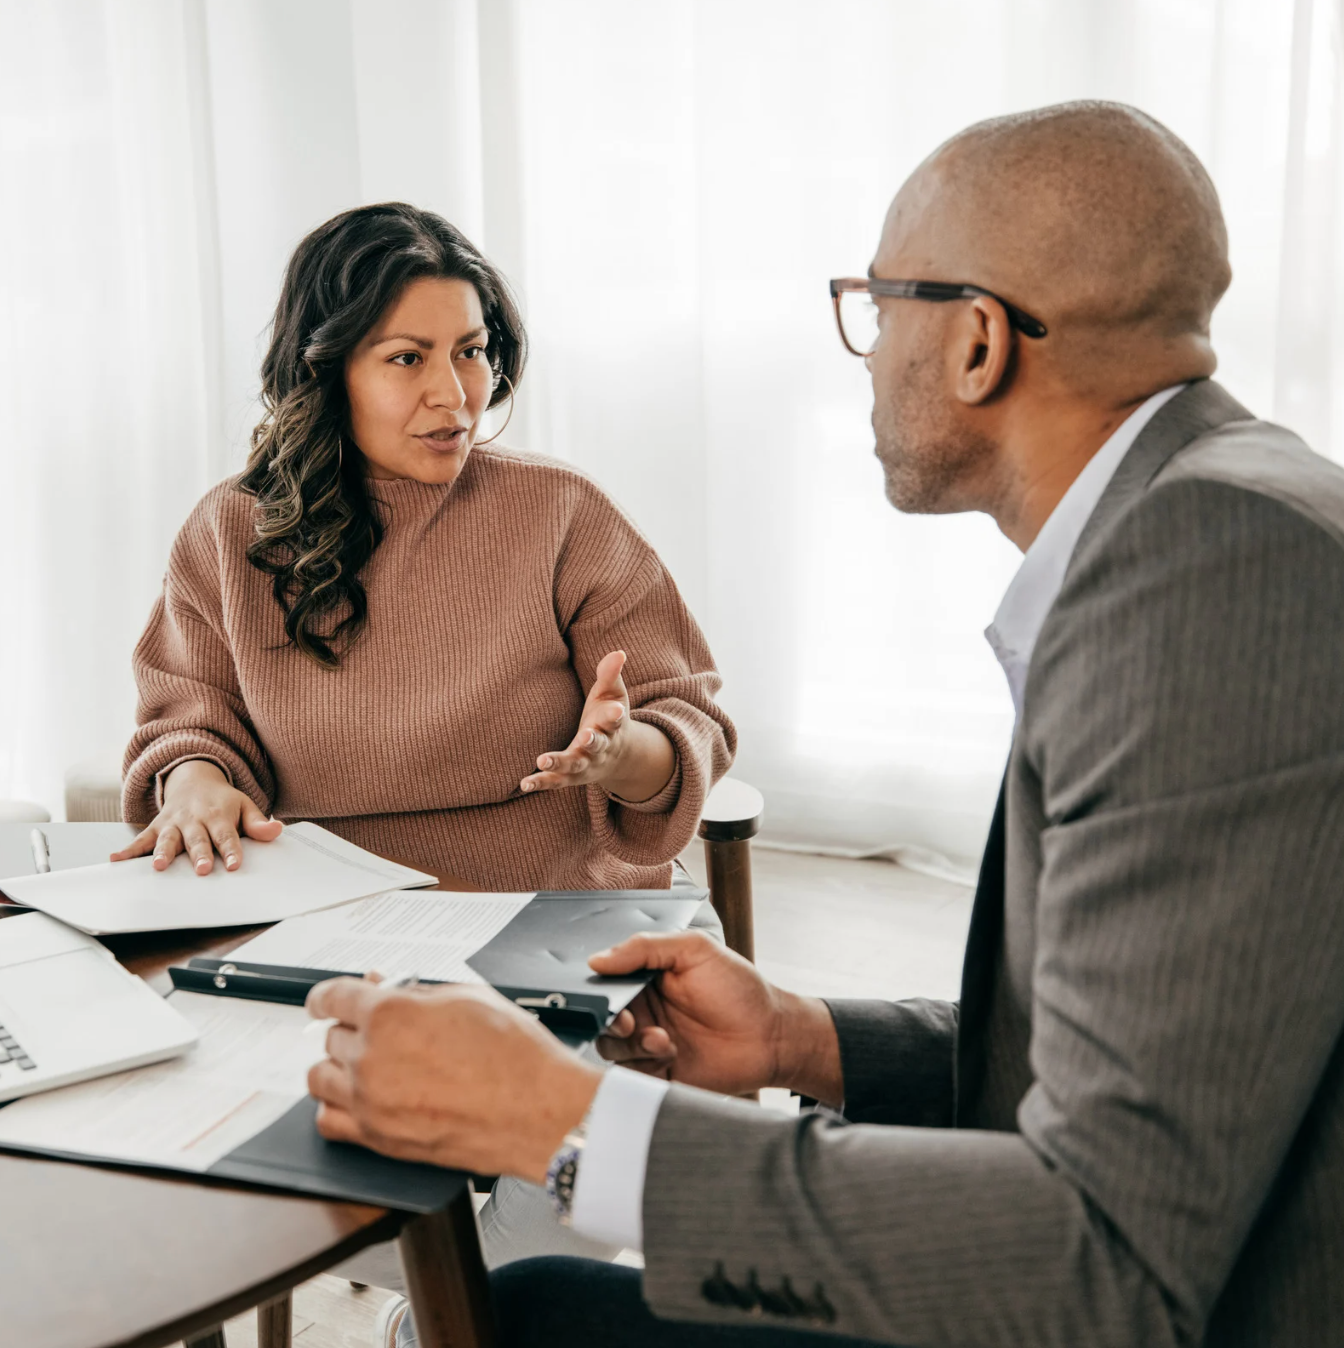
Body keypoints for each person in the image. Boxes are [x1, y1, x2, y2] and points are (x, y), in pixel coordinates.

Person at [306, 102, 1344, 1348]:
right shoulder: (1223, 509)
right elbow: (1153, 1053)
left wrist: (565, 1124)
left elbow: (1103, 1257)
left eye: (877, 302)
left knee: (506, 1320)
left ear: (973, 343)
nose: (864, 350)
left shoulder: (1208, 570)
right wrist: (803, 1037)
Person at [117, 203, 735, 1269]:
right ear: (328, 371)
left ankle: (452, 1317)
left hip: (566, 907)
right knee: (210, 1157)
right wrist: (196, 781)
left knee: (600, 1185)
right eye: (409, 358)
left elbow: (686, 712)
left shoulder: (561, 511)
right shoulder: (231, 530)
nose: (456, 395)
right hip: (344, 933)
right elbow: (188, 710)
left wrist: (619, 752)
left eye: (473, 351)